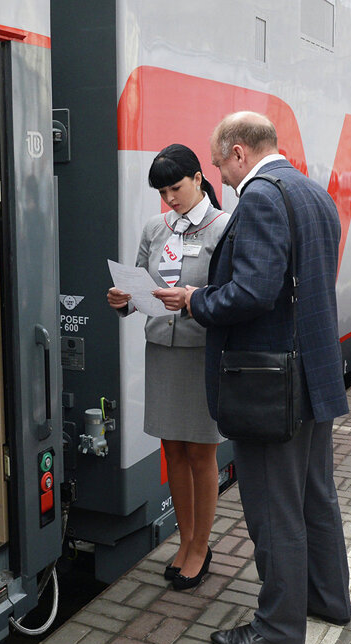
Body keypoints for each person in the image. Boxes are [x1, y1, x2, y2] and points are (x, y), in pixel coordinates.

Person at [155, 111, 350, 644]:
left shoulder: (262, 195)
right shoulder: (312, 191)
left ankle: (279, 625)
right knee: (316, 496)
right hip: (312, 374)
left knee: (272, 507)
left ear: (239, 152)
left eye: (218, 165)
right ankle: (329, 599)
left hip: (271, 384)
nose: (219, 176)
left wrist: (196, 300)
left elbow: (253, 293)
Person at [105, 144, 229, 591]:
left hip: (201, 353)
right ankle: (184, 538)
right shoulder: (155, 228)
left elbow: (232, 295)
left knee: (201, 451)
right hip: (161, 349)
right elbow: (139, 281)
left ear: (198, 178)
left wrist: (194, 302)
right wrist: (122, 300)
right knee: (172, 450)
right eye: (162, 191)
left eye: (175, 187)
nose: (170, 198)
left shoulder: (224, 228)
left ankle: (201, 544)